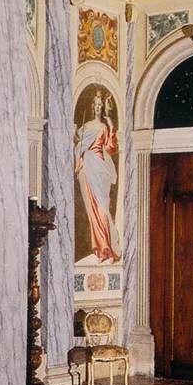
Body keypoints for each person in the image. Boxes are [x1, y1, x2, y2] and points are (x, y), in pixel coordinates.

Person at [74, 90, 119, 263]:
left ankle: (108, 247)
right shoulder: (86, 126)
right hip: (88, 166)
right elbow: (79, 145)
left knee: (102, 207)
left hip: (100, 167)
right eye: (96, 105)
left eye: (101, 105)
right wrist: (79, 161)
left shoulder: (103, 127)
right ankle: (100, 249)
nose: (99, 107)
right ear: (93, 107)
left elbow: (110, 148)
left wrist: (111, 126)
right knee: (92, 209)